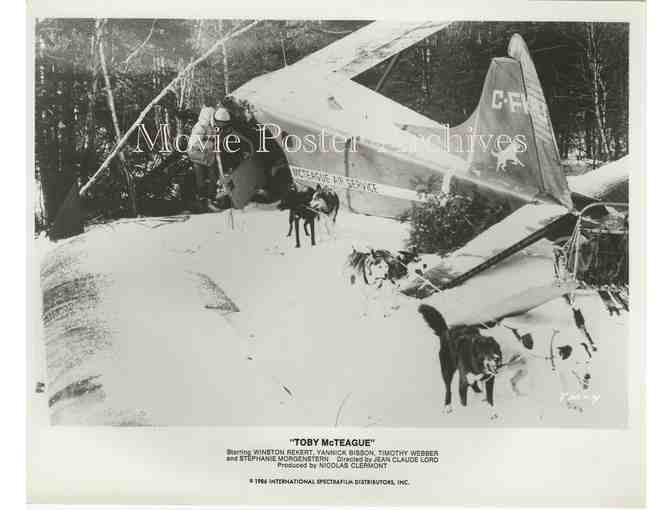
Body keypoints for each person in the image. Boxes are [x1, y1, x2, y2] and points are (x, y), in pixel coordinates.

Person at [187, 106, 221, 212]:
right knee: (203, 177)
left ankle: (209, 198)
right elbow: (195, 144)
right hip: (198, 155)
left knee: (211, 175)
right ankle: (205, 200)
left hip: (206, 155)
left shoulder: (209, 126)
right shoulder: (200, 127)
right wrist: (212, 145)